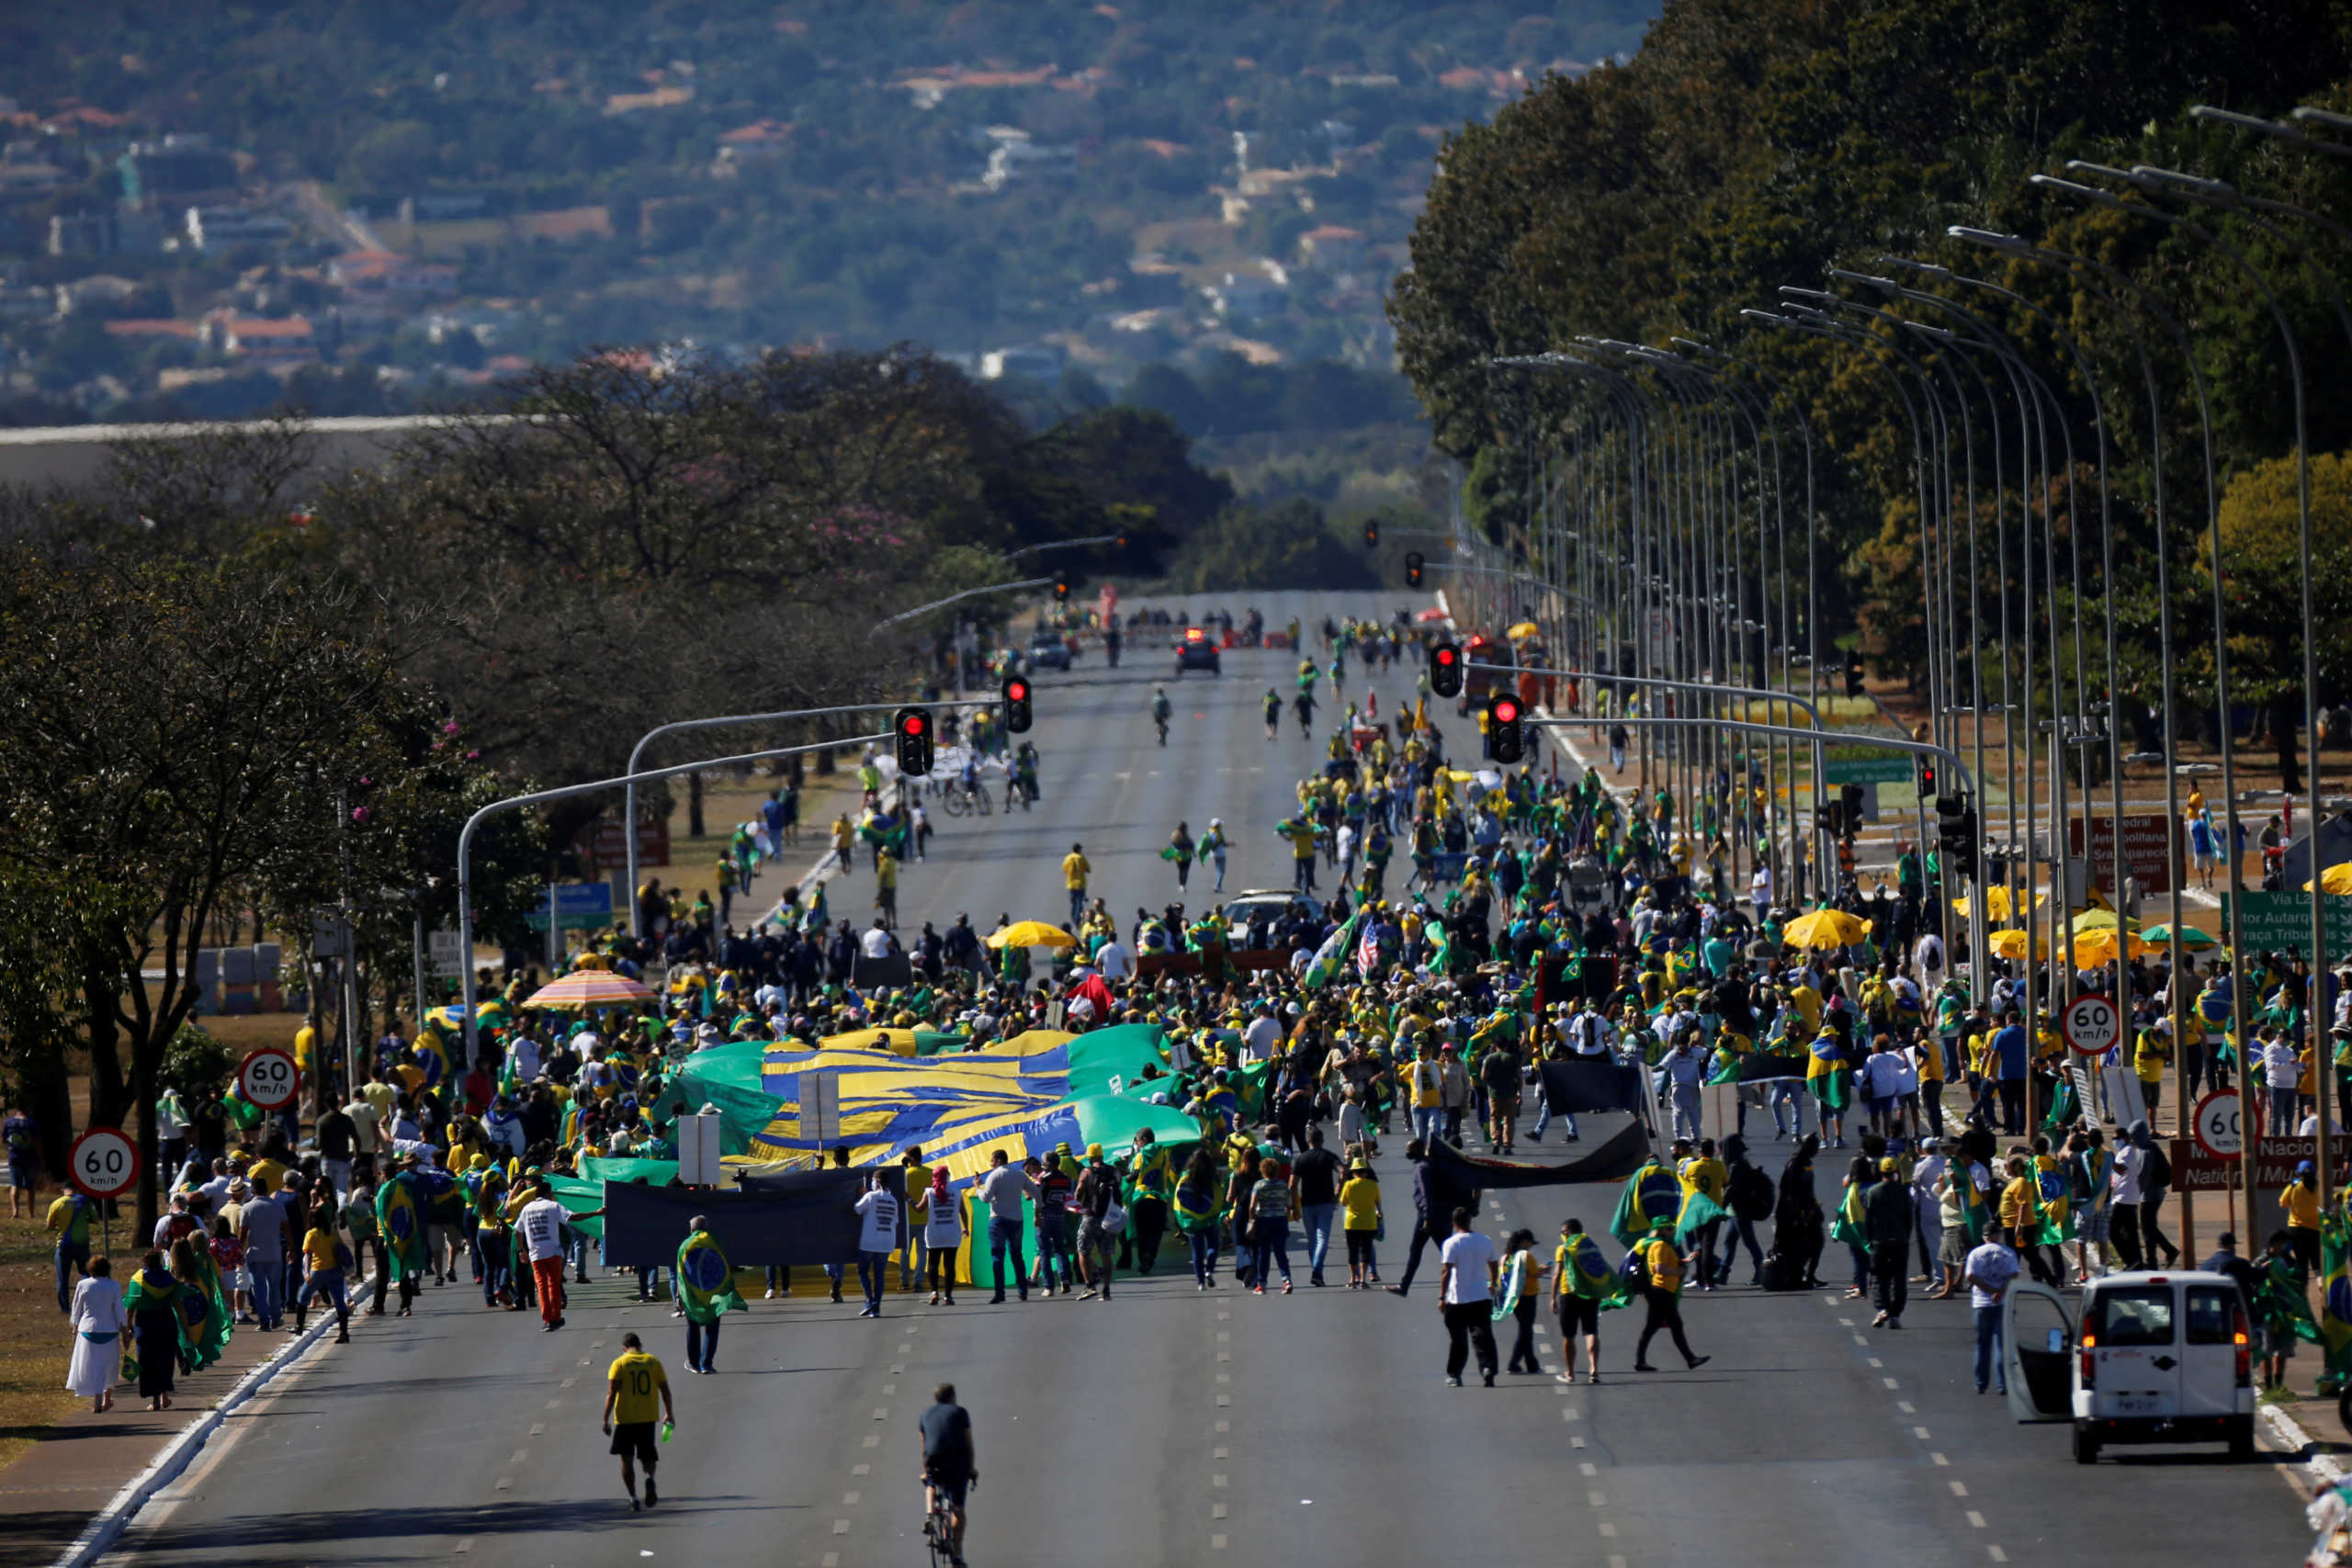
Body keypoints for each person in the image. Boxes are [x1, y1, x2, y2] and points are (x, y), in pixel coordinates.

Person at [601, 1330, 674, 1512]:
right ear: (640, 1345)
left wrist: (605, 1419)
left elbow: (612, 1394)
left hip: (625, 1419)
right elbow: (665, 1389)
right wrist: (669, 1413)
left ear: (624, 1348)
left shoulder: (619, 1363)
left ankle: (633, 1497)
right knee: (648, 1456)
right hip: (647, 1418)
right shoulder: (653, 1362)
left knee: (627, 1459)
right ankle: (649, 1477)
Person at [1632, 1217, 1710, 1372]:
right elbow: (1659, 1268)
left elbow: (1665, 1264)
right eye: (1669, 1229)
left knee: (1656, 1327)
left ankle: (1642, 1361)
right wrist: (1679, 1271)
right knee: (1671, 1326)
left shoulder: (1662, 1245)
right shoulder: (1660, 1245)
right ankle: (1690, 1359)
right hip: (1661, 1291)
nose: (1673, 1231)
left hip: (1663, 1292)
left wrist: (1684, 1261)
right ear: (1661, 1230)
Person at [1436, 1206, 1499, 1387]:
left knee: (1458, 1340)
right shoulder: (1485, 1240)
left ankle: (1455, 1375)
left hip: (1457, 1299)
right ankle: (1487, 1368)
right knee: (1483, 1336)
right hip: (1481, 1296)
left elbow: (1446, 1271)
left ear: (1454, 1224)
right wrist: (1492, 1284)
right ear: (1470, 1221)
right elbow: (1494, 1265)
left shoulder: (1451, 1243)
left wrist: (1442, 1297)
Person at [920, 1382, 977, 1568]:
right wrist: (971, 1469)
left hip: (934, 1462)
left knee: (930, 1481)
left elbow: (924, 1448)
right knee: (958, 1511)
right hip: (956, 1465)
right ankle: (958, 1554)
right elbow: (969, 1444)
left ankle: (929, 1515)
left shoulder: (925, 1415)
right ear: (952, 1397)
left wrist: (926, 1471)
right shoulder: (960, 1412)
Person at [1964, 1227, 2020, 1396]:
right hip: (2003, 1302)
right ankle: (2002, 1384)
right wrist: (2000, 1292)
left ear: (1984, 1236)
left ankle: (1981, 1383)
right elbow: (2014, 1274)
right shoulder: (2008, 1252)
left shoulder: (1975, 1253)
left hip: (1982, 1302)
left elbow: (1970, 1276)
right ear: (1997, 1235)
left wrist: (1989, 1291)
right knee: (2002, 1346)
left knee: (1983, 1345)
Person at [65, 1254, 123, 1414]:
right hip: (110, 1330)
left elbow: (76, 1309)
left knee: (91, 1365)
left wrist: (75, 1329)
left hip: (87, 1330)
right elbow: (119, 1310)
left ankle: (97, 1399)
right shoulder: (114, 1286)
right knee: (108, 1366)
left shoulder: (83, 1285)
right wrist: (124, 1329)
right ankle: (106, 1399)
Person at [978, 1149, 1036, 1304]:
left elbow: (985, 1198)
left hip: (998, 1220)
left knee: (998, 1256)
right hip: (1016, 1219)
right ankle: (1023, 1291)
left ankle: (1000, 1293)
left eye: (991, 1160)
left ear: (997, 1161)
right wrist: (1040, 1210)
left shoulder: (994, 1175)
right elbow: (1036, 1191)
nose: (990, 1164)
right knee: (1017, 1255)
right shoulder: (1019, 1174)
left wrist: (978, 1187)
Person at [1553, 1219, 1607, 1385]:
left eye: (1563, 1232)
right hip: (1590, 1294)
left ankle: (1570, 1373)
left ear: (1568, 1233)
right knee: (1591, 1332)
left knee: (1569, 1336)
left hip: (1569, 1294)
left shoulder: (1563, 1249)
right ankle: (1594, 1369)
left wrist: (1552, 1297)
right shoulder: (1591, 1247)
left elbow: (1557, 1274)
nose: (1561, 1235)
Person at [1864, 1156, 1913, 1329]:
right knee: (1899, 1279)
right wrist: (1905, 1236)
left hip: (1879, 1242)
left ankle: (1882, 1308)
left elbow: (1868, 1219)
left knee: (1878, 1277)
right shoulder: (1903, 1191)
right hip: (1900, 1241)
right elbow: (1909, 1218)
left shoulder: (1873, 1192)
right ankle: (1896, 1314)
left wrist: (1869, 1240)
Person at [1289, 1127, 1342, 1287]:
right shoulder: (1329, 1156)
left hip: (1307, 1203)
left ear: (1309, 1141)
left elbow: (1292, 1184)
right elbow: (1343, 1170)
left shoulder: (1301, 1159)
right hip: (1326, 1202)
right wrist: (1337, 1191)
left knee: (1312, 1240)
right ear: (1322, 1140)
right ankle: (1317, 1272)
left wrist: (1293, 1205)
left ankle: (1316, 1270)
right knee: (1322, 1239)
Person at [1244, 1156, 1294, 1295]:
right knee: (1280, 1253)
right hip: (1280, 1220)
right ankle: (1286, 1280)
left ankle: (1262, 1284)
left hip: (1264, 1221)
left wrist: (1251, 1219)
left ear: (1263, 1170)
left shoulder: (1259, 1185)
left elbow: (1252, 1206)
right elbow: (1289, 1205)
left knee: (1263, 1254)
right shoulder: (1283, 1185)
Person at [854, 1170, 899, 1318]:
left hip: (869, 1241)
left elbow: (857, 1209)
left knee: (862, 1271)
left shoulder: (870, 1196)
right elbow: (896, 1221)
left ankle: (869, 1299)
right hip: (886, 1242)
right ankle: (877, 1308)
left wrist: (862, 1195)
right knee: (879, 1276)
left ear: (877, 1182)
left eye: (873, 1180)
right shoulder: (893, 1200)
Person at [1499, 1227, 1544, 1374]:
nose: (1531, 1246)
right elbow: (1535, 1273)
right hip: (1528, 1296)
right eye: (1530, 1243)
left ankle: (1531, 1364)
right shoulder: (1526, 1256)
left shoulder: (1506, 1257)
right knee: (1525, 1331)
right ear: (1525, 1242)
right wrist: (1545, 1269)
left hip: (1512, 1298)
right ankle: (1514, 1363)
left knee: (1526, 1330)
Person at [918, 1168, 963, 1306]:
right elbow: (963, 1212)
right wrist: (966, 1227)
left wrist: (908, 1199)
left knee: (933, 1263)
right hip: (952, 1232)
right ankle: (948, 1297)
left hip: (934, 1233)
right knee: (949, 1265)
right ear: (948, 1176)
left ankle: (934, 1292)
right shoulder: (956, 1192)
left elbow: (919, 1209)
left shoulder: (929, 1192)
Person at [1340, 1158, 1381, 1289]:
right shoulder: (1373, 1185)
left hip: (1352, 1222)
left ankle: (1353, 1279)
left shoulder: (1349, 1185)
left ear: (1354, 1172)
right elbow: (1378, 1202)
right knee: (1366, 1251)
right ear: (1365, 1172)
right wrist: (1380, 1213)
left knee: (1352, 1251)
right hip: (1369, 1222)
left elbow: (1343, 1202)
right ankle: (1363, 1280)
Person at [1062, 843, 1091, 929]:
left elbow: (1065, 868)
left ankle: (1074, 918)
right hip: (1081, 884)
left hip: (1071, 884)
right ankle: (1076, 920)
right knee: (1079, 903)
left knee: (1074, 903)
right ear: (1078, 849)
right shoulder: (1081, 858)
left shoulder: (1068, 858)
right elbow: (1088, 869)